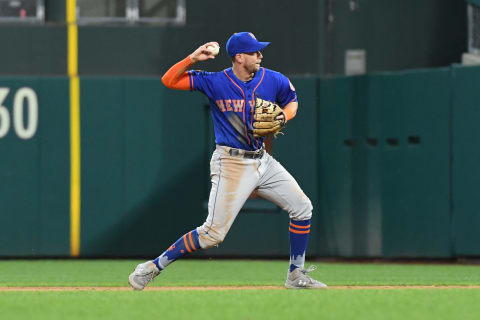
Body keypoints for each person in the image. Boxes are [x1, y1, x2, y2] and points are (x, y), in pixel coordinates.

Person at [128, 32, 327, 290]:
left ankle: (295, 274)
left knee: (302, 208)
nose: (260, 55)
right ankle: (151, 268)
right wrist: (192, 58)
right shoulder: (215, 82)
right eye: (255, 52)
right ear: (239, 57)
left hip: (262, 161)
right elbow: (169, 80)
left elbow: (292, 102)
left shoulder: (273, 79)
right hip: (230, 162)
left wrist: (282, 118)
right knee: (212, 234)